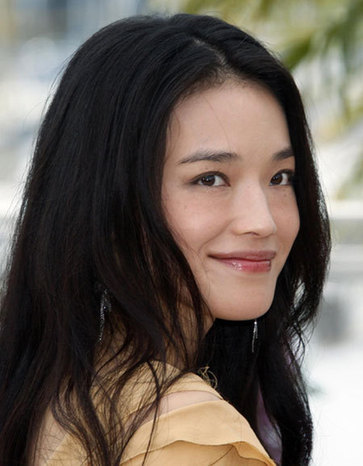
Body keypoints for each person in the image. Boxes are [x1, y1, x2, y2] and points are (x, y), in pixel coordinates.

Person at [0, 13, 330, 466]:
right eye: (210, 178)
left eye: (280, 176)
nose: (263, 222)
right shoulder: (190, 439)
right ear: (109, 200)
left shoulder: (67, 383)